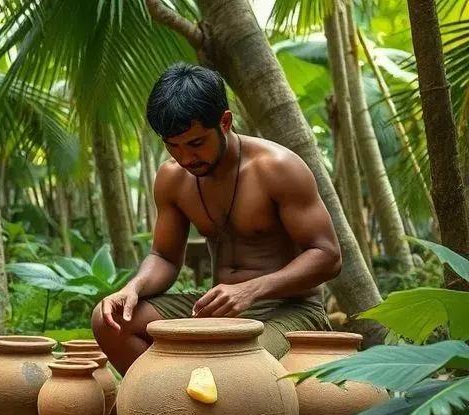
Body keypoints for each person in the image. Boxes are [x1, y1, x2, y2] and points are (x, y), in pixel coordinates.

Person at [93, 63, 341, 374]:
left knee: (229, 364)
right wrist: (133, 288)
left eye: (196, 143)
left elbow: (328, 256)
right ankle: (162, 407)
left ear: (225, 122)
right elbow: (165, 257)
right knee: (110, 321)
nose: (186, 158)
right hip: (216, 310)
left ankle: (183, 405)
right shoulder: (173, 178)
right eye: (174, 147)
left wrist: (251, 289)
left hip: (290, 310)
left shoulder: (277, 168)